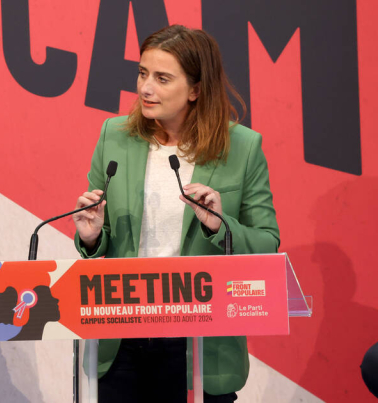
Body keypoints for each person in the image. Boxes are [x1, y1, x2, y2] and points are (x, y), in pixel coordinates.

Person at [72, 25, 280, 402]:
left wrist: (220, 225)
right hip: (122, 338)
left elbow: (267, 243)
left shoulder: (243, 148)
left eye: (162, 78)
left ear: (196, 90)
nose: (145, 88)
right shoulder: (114, 135)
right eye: (142, 73)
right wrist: (91, 235)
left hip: (199, 344)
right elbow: (100, 241)